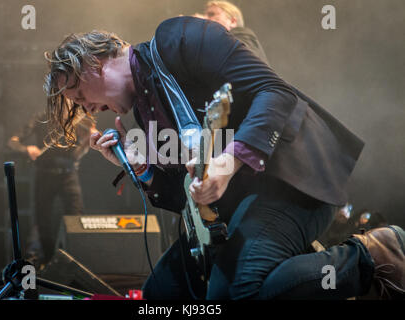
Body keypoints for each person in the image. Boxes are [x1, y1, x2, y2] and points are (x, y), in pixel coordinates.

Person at [43, 16, 405, 299]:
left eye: (77, 95)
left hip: (292, 182)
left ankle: (373, 256)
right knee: (160, 295)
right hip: (237, 207)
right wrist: (142, 170)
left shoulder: (178, 38)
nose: (87, 108)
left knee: (233, 292)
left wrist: (230, 159)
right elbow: (190, 195)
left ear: (94, 62)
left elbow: (275, 92)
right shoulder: (143, 113)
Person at [8, 110, 96, 266]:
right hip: (45, 174)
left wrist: (87, 141)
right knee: (43, 219)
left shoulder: (79, 118)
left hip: (69, 174)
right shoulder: (41, 118)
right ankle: (47, 260)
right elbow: (13, 142)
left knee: (76, 216)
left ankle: (76, 260)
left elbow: (78, 153)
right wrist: (27, 149)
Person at [194, 1, 269, 65]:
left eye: (211, 14)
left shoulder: (243, 34)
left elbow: (241, 56)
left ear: (232, 21)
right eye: (205, 15)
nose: (205, 18)